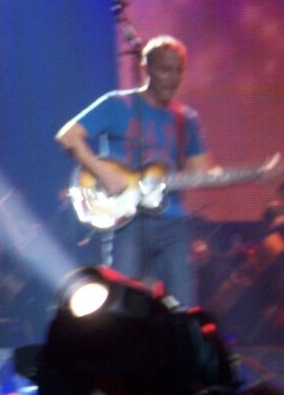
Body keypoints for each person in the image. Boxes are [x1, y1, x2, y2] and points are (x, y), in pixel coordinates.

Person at [55, 35, 210, 307]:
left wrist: (253, 174)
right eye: (165, 69)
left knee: (185, 307)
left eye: (178, 70)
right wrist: (102, 171)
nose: (173, 78)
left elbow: (203, 172)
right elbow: (68, 137)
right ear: (146, 69)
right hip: (128, 220)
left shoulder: (187, 119)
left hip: (173, 222)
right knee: (120, 304)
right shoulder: (118, 105)